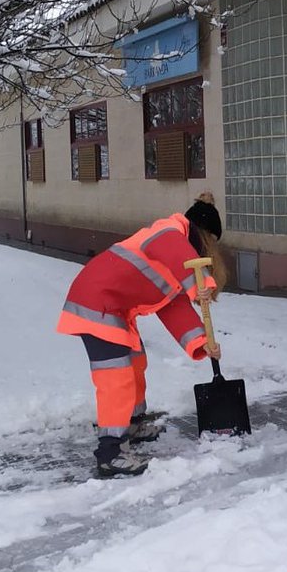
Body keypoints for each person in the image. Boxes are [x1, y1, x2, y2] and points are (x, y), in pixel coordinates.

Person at [57, 191, 226, 478]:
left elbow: (174, 309)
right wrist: (200, 282)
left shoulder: (174, 261)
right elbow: (176, 251)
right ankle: (110, 452)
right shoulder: (169, 231)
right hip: (97, 303)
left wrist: (201, 343)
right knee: (116, 377)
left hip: (114, 308)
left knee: (135, 363)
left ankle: (133, 423)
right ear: (204, 237)